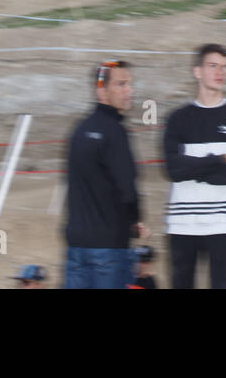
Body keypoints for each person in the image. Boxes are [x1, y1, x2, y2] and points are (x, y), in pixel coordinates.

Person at [163, 44, 226, 289]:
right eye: (213, 66)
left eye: (225, 67)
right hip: (182, 222)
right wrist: (219, 159)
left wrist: (197, 172)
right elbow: (173, 169)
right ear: (197, 71)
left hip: (224, 221)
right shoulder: (177, 118)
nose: (220, 72)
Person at [65, 60, 147, 289]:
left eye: (129, 84)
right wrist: (136, 221)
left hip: (76, 247)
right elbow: (128, 190)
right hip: (109, 249)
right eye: (121, 84)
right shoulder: (115, 132)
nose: (128, 90)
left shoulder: (79, 130)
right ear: (101, 90)